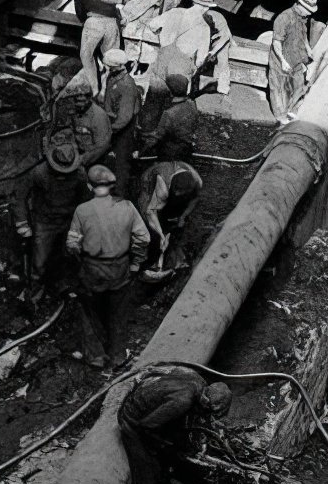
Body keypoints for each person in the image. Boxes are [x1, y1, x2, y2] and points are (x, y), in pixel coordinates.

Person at [117, 367, 232, 484]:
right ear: (206, 403)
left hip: (146, 406)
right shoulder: (182, 401)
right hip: (131, 422)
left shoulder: (196, 379)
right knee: (147, 472)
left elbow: (161, 372)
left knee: (171, 449)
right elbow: (146, 426)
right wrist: (161, 446)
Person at [66, 164, 150, 369]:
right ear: (111, 185)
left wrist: (81, 257)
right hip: (120, 267)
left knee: (88, 310)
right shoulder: (128, 207)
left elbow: (72, 244)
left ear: (89, 185)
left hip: (93, 269)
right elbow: (143, 238)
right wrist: (136, 263)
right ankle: (118, 356)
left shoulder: (82, 211)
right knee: (118, 311)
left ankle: (95, 356)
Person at [13, 132, 89, 305]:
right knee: (39, 263)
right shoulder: (39, 173)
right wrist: (23, 223)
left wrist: (82, 226)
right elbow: (19, 197)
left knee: (67, 257)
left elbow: (85, 200)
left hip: (68, 221)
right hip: (44, 223)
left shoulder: (80, 175)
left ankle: (63, 286)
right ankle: (34, 297)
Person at [137, 160, 203, 280]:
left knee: (174, 221)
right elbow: (150, 212)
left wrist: (183, 216)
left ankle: (167, 257)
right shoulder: (162, 188)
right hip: (150, 183)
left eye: (181, 194)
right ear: (172, 185)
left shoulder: (197, 182)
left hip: (171, 192)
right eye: (175, 191)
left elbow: (196, 198)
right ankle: (149, 263)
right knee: (151, 226)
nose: (177, 194)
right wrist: (160, 234)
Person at [74, 0, 121, 96]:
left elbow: (80, 12)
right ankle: (109, 90)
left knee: (86, 56)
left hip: (94, 23)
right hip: (112, 23)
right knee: (111, 57)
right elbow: (113, 7)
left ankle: (95, 90)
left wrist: (86, 22)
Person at [267, 0, 319, 122]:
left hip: (296, 58)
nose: (309, 13)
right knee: (279, 89)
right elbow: (276, 42)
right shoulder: (284, 18)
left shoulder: (302, 18)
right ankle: (280, 117)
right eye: (307, 10)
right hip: (281, 59)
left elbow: (303, 35)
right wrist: (282, 61)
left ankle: (292, 112)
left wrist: (308, 49)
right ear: (299, 4)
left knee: (298, 86)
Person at [100, 48, 142, 196]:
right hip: (113, 123)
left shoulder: (126, 85)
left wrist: (110, 131)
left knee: (122, 164)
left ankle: (119, 196)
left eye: (108, 66)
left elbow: (125, 117)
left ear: (116, 66)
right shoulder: (114, 77)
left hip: (123, 129)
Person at [141, 73, 199, 163]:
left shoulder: (169, 114)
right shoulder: (191, 104)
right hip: (187, 149)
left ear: (171, 91)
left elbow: (156, 137)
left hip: (170, 154)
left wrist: (140, 152)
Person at [57, 80, 112, 168]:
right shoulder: (75, 111)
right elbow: (70, 129)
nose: (79, 103)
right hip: (79, 153)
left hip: (97, 159)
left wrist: (82, 160)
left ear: (89, 98)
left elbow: (102, 147)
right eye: (76, 99)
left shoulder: (98, 116)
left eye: (82, 99)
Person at [191, 0, 233, 96]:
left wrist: (213, 51)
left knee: (222, 59)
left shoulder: (217, 18)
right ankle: (192, 85)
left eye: (204, 6)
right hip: (202, 39)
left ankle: (223, 88)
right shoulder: (191, 15)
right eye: (198, 5)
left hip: (218, 38)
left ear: (208, 7)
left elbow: (225, 37)